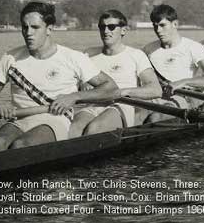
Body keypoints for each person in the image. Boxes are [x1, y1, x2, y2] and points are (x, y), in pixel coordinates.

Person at [0, 2, 119, 152]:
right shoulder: (10, 58)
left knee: (20, 146)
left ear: (49, 29)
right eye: (25, 27)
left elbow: (111, 88)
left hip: (55, 119)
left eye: (35, 27)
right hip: (19, 119)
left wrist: (74, 97)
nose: (28, 33)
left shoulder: (73, 58)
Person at [69, 10, 162, 138]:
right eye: (102, 27)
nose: (106, 31)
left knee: (94, 128)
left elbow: (156, 90)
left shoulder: (136, 55)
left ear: (123, 30)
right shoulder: (88, 54)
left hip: (121, 104)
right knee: (73, 130)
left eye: (111, 27)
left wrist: (122, 92)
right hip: (93, 104)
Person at [142, 4, 204, 122]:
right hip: (154, 98)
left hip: (182, 98)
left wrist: (182, 82)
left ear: (175, 24)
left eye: (162, 25)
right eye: (155, 26)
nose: (158, 30)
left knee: (155, 118)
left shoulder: (193, 47)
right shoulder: (148, 49)